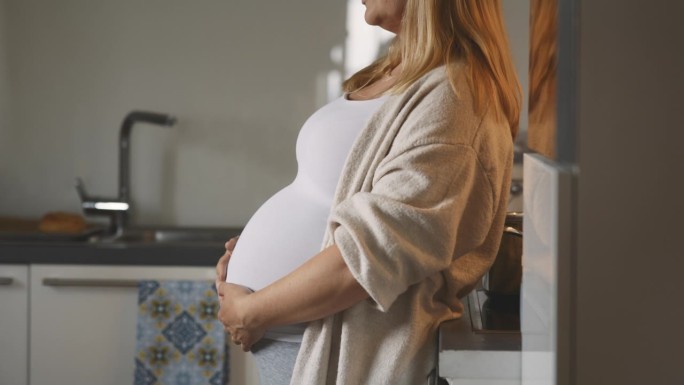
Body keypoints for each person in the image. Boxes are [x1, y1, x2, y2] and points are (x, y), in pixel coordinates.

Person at [215, 0, 521, 384]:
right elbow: (335, 198)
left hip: (330, 349)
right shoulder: (398, 72)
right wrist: (254, 254)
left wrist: (252, 310)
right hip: (294, 339)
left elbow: (381, 249)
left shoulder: (457, 94)